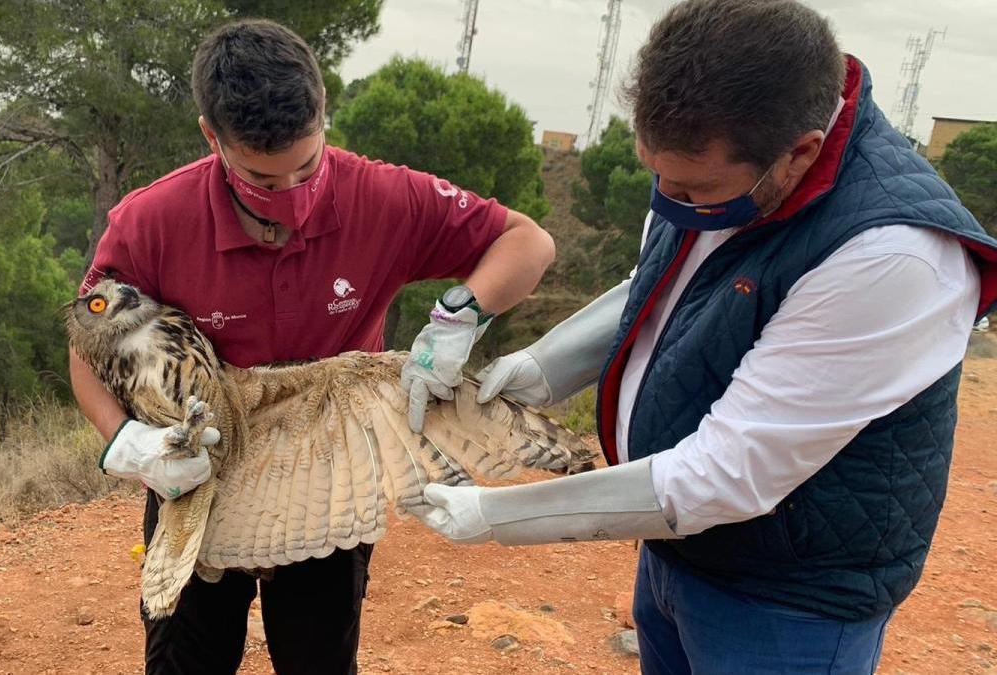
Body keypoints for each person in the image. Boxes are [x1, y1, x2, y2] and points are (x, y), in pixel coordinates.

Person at [413, 1, 997, 672]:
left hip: (788, 599)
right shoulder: (715, 167)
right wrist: (541, 369)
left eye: (693, 190)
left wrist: (495, 513)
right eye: (654, 174)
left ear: (800, 151)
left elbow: (723, 475)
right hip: (677, 549)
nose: (668, 199)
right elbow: (661, 287)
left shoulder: (892, 256)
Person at [68, 18, 554, 675]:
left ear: (324, 112)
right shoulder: (154, 222)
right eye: (264, 181)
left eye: (307, 166)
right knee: (186, 662)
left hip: (330, 477)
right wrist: (126, 441)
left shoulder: (385, 198)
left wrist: (459, 314)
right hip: (200, 470)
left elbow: (527, 242)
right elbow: (88, 345)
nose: (292, 198)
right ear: (213, 136)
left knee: (319, 661)